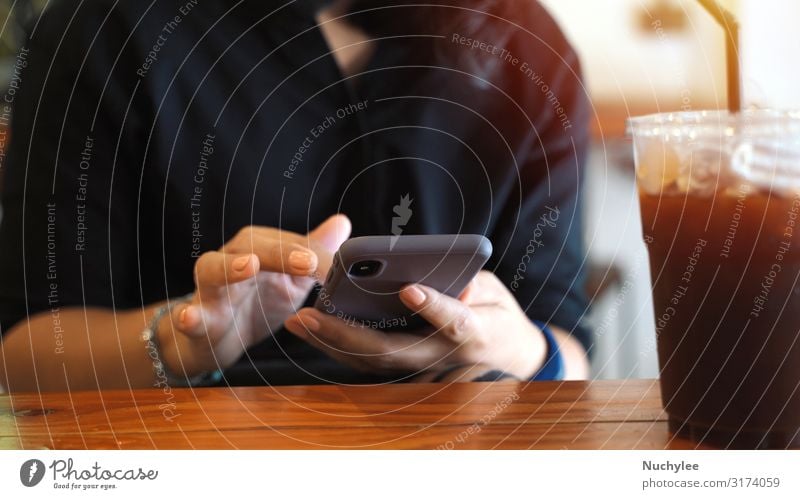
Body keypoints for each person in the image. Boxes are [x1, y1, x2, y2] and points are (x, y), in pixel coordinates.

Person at [0, 0, 591, 392]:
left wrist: (516, 350)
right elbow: (26, 352)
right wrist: (179, 343)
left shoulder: (528, 45)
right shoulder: (110, 25)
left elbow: (572, 353)